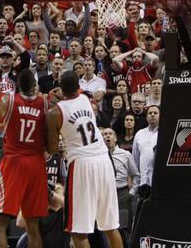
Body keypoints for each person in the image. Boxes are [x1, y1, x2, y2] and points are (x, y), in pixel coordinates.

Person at [45, 71, 123, 248]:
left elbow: (52, 148)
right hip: (103, 160)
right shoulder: (86, 100)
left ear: (60, 87)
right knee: (110, 226)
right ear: (78, 87)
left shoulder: (54, 113)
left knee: (78, 231)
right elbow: (73, 97)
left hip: (81, 164)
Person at [0, 68, 48, 248]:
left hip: (14, 162)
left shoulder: (8, 102)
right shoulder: (45, 103)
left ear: (17, 86)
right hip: (37, 163)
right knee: (32, 224)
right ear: (34, 85)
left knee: (0, 222)